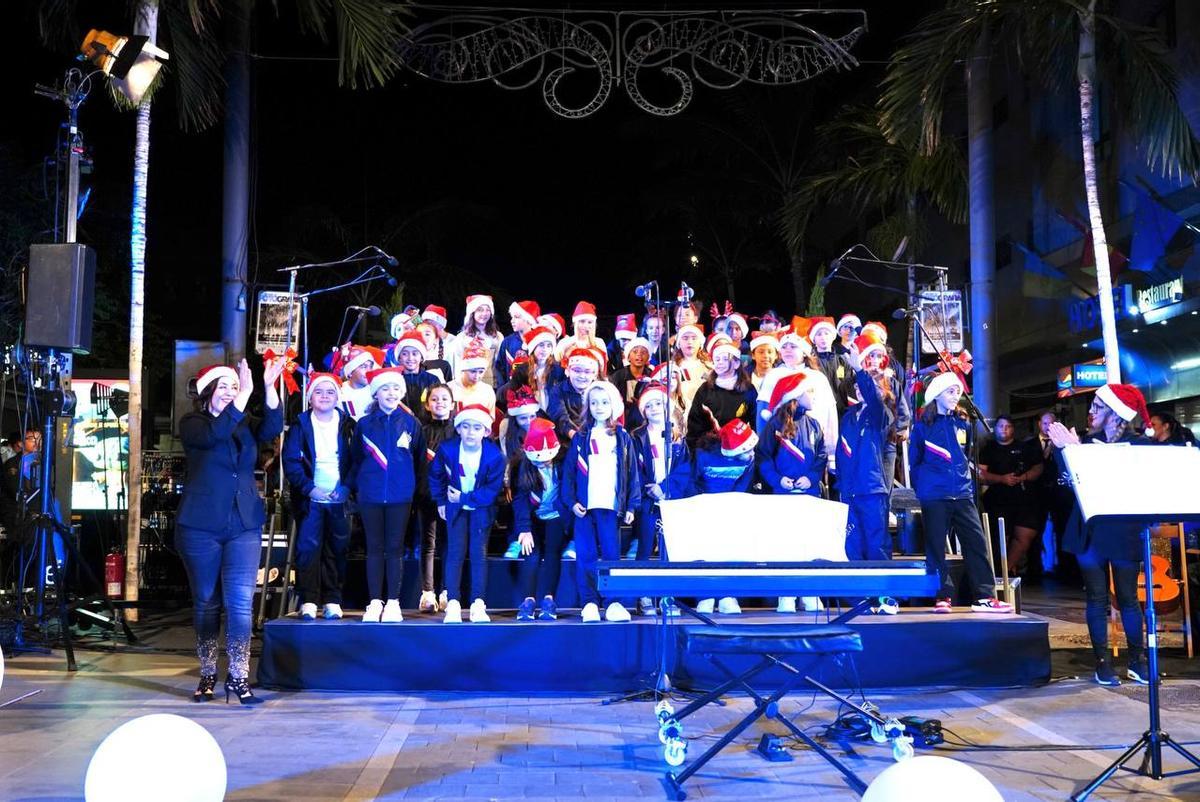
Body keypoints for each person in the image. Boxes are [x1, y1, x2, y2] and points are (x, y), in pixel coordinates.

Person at [177, 357, 285, 704]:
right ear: (208, 391)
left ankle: (239, 676)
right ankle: (208, 672)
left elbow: (272, 426)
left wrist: (268, 387)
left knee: (240, 604)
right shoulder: (193, 422)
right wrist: (242, 397)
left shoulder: (243, 423)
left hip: (243, 523)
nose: (230, 393)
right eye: (223, 387)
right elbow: (213, 435)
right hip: (201, 525)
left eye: (234, 387)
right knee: (207, 602)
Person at [1047, 383, 1154, 686]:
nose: (1091, 412)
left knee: (1128, 598)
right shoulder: (1086, 441)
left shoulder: (1139, 446)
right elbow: (1069, 483)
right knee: (1096, 598)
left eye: (1097, 406)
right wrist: (1062, 451)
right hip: (1089, 530)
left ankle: (1137, 660)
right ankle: (1103, 664)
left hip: (1124, 529)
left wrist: (1077, 450)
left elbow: (1125, 483)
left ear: (1115, 414)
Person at [910, 371, 1013, 615]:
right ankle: (942, 596)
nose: (956, 396)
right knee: (936, 547)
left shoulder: (963, 423)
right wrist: (924, 488)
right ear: (937, 394)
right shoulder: (923, 427)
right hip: (935, 496)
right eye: (950, 391)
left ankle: (985, 596)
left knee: (976, 543)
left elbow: (966, 456)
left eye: (957, 391)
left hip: (963, 494)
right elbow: (915, 463)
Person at [347, 367, 427, 624]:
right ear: (376, 393)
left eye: (395, 388)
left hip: (401, 497)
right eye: (385, 388)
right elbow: (355, 460)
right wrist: (354, 489)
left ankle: (393, 601)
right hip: (369, 496)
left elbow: (419, 462)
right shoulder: (364, 425)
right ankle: (374, 601)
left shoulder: (412, 424)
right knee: (374, 548)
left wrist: (412, 489)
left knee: (394, 549)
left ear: (401, 392)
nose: (391, 394)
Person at [561, 380, 640, 623]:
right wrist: (572, 501)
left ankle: (613, 601)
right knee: (586, 555)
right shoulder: (581, 438)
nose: (599, 407)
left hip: (610, 507)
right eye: (593, 403)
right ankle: (589, 602)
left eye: (604, 402)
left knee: (611, 555)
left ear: (614, 405)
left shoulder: (623, 438)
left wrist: (631, 505)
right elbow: (570, 474)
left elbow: (632, 473)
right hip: (585, 508)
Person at [281, 373, 353, 622]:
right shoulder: (300, 424)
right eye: (319, 392)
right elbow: (290, 461)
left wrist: (345, 488)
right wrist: (309, 488)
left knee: (336, 551)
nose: (325, 396)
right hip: (309, 500)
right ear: (310, 397)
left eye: (330, 392)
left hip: (339, 500)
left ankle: (333, 600)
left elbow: (357, 461)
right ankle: (309, 600)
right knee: (307, 551)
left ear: (337, 397)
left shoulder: (348, 425)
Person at [756, 371, 827, 614]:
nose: (814, 396)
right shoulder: (774, 426)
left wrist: (812, 477)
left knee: (809, 544)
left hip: (809, 494)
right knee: (785, 545)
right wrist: (778, 480)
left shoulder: (815, 424)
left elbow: (820, 456)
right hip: (783, 496)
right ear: (796, 396)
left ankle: (810, 593)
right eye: (810, 391)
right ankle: (785, 595)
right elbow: (763, 457)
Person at [429, 404, 505, 623]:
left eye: (477, 428)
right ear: (459, 429)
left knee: (478, 554)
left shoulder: (494, 456)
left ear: (486, 431)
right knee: (454, 553)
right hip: (455, 510)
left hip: (481, 510)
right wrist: (442, 500)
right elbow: (436, 476)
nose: (471, 432)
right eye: (466, 427)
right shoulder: (447, 449)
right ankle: (453, 602)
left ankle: (478, 603)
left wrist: (462, 498)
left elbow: (491, 492)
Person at [631, 383, 691, 615]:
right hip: (648, 501)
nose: (655, 408)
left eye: (659, 403)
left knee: (670, 549)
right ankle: (643, 596)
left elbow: (684, 468)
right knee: (645, 547)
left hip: (670, 500)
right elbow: (634, 467)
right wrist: (651, 488)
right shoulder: (637, 437)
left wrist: (665, 487)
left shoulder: (677, 437)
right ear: (643, 410)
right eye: (649, 405)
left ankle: (668, 595)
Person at [688, 417, 757, 615]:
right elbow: (692, 481)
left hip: (730, 511)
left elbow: (743, 485)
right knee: (705, 554)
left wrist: (732, 505)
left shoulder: (749, 460)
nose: (751, 454)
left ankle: (728, 595)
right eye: (746, 450)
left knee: (730, 552)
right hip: (704, 509)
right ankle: (705, 596)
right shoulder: (703, 456)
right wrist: (701, 503)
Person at [836, 336, 895, 565]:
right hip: (849, 491)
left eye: (870, 386)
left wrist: (860, 368)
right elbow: (842, 454)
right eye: (860, 385)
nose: (862, 389)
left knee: (876, 544)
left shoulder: (880, 415)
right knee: (853, 545)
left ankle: (881, 595)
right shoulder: (849, 416)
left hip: (871, 490)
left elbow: (873, 400)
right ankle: (858, 598)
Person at [511, 418, 571, 621]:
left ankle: (549, 600)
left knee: (552, 553)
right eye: (538, 460)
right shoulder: (523, 465)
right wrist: (524, 529)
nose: (542, 462)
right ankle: (528, 601)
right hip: (533, 518)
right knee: (531, 553)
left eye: (545, 459)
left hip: (556, 515)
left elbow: (569, 492)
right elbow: (520, 500)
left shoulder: (563, 462)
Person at [978, 415, 1044, 577]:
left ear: (1013, 428)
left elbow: (1038, 467)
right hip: (997, 499)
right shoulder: (988, 449)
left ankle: (1007, 568)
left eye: (1007, 426)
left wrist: (1024, 477)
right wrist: (1001, 479)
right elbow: (980, 473)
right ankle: (997, 572)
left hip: (1023, 498)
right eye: (1001, 426)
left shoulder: (1025, 447)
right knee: (997, 537)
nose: (1004, 429)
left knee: (1026, 533)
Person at [415, 383, 456, 612]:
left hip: (452, 497)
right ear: (427, 404)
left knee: (450, 544)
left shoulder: (458, 430)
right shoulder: (419, 431)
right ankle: (427, 593)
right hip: (426, 495)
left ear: (452, 404)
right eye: (434, 399)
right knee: (428, 544)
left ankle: (448, 591)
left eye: (444, 399)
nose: (439, 403)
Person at [686, 334, 756, 448]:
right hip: (710, 448)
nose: (720, 363)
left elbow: (755, 422)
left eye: (725, 359)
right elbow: (694, 424)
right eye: (717, 359)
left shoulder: (748, 390)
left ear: (736, 363)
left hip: (740, 447)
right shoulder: (705, 390)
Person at [499, 387, 542, 559]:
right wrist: (507, 483)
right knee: (514, 498)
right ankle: (515, 538)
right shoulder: (508, 432)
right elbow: (506, 459)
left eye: (532, 416)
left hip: (537, 477)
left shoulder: (541, 427)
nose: (528, 421)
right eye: (523, 417)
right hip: (516, 477)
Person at [547, 348, 602, 441]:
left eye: (587, 372)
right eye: (577, 370)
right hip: (568, 441)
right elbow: (560, 418)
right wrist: (577, 437)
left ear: (594, 375)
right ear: (568, 371)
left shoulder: (600, 391)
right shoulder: (557, 391)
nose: (582, 376)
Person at [450, 295, 503, 386]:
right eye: (480, 310)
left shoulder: (497, 336)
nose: (484, 313)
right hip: (468, 385)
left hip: (492, 385)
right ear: (472, 313)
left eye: (487, 310)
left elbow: (501, 363)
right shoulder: (462, 337)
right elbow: (458, 365)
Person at [390, 331, 441, 420]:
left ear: (421, 357)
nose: (410, 358)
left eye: (415, 353)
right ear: (399, 357)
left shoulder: (433, 380)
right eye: (405, 354)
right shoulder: (393, 380)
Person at [609, 335, 653, 430]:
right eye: (635, 352)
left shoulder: (652, 376)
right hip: (623, 419)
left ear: (648, 357)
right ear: (628, 357)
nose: (639, 355)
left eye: (643, 352)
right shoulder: (618, 376)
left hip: (646, 419)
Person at [447, 339, 498, 413]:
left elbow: (490, 418)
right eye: (473, 371)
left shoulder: (487, 391)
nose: (477, 376)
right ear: (463, 370)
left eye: (481, 372)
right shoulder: (450, 388)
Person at [497, 300, 541, 383]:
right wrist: (503, 390)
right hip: (511, 391)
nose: (512, 320)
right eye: (512, 317)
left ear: (528, 320)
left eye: (516, 317)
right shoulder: (507, 342)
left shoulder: (539, 341)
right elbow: (499, 368)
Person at [336, 345, 382, 421]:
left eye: (370, 366)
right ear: (350, 372)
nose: (369, 371)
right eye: (363, 367)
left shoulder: (376, 391)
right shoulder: (339, 392)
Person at [672, 323, 709, 413]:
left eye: (694, 338)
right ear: (679, 343)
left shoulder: (709, 367)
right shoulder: (673, 368)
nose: (690, 342)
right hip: (681, 412)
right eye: (685, 338)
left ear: (700, 343)